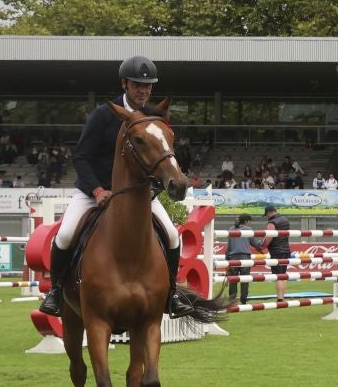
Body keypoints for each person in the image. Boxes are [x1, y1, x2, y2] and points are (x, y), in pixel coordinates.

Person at [39, 55, 195, 317]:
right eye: (137, 85)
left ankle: (172, 295)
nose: (143, 90)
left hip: (138, 195)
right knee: (64, 235)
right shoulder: (103, 115)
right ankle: (55, 292)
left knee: (171, 234)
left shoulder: (152, 117)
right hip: (95, 192)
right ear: (124, 84)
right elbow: (81, 157)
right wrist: (97, 190)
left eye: (147, 86)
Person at [223, 214, 258, 305]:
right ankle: (243, 299)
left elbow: (229, 245)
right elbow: (255, 244)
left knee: (233, 280)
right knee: (245, 279)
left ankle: (232, 300)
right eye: (249, 221)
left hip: (232, 257)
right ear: (246, 221)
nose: (250, 223)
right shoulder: (248, 229)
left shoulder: (231, 229)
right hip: (245, 257)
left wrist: (227, 257)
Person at [263, 203, 291, 301]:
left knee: (278, 276)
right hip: (286, 249)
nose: (267, 217)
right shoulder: (285, 220)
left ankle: (280, 298)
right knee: (283, 275)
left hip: (276, 251)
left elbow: (269, 237)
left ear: (269, 212)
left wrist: (262, 246)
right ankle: (282, 296)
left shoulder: (272, 223)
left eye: (266, 214)